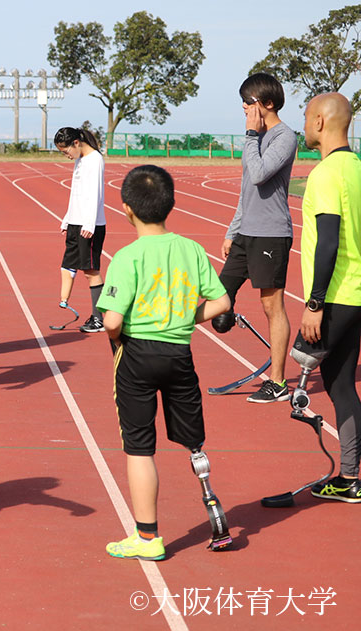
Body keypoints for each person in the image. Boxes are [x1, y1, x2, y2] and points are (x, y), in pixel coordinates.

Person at [97, 165, 231, 560]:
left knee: (140, 447)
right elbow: (222, 302)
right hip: (179, 354)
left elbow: (112, 321)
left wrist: (117, 338)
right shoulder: (190, 249)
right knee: (193, 440)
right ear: (170, 204)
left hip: (138, 356)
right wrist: (185, 319)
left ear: (127, 209)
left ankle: (148, 536)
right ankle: (207, 491)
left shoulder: (127, 256)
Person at [217, 72, 297, 403]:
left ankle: (277, 382)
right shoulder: (256, 138)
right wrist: (232, 230)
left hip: (271, 235)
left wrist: (251, 135)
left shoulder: (284, 137)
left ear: (266, 103)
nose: (244, 110)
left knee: (271, 304)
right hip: (246, 233)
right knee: (219, 302)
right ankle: (235, 318)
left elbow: (262, 174)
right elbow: (245, 191)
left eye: (248, 104)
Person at [297, 92, 361, 503]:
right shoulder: (357, 168)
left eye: (305, 117)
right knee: (341, 385)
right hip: (357, 295)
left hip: (337, 296)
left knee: (310, 373)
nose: (303, 125)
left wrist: (315, 303)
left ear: (320, 122)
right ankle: (350, 477)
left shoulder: (325, 173)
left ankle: (351, 475)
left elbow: (328, 242)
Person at [54, 126, 106, 333]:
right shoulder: (80, 160)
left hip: (89, 225)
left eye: (66, 151)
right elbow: (76, 192)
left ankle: (98, 318)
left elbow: (94, 194)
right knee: (69, 264)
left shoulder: (95, 160)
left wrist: (89, 223)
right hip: (76, 222)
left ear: (76, 143)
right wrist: (67, 218)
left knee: (91, 271)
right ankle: (64, 300)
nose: (66, 155)